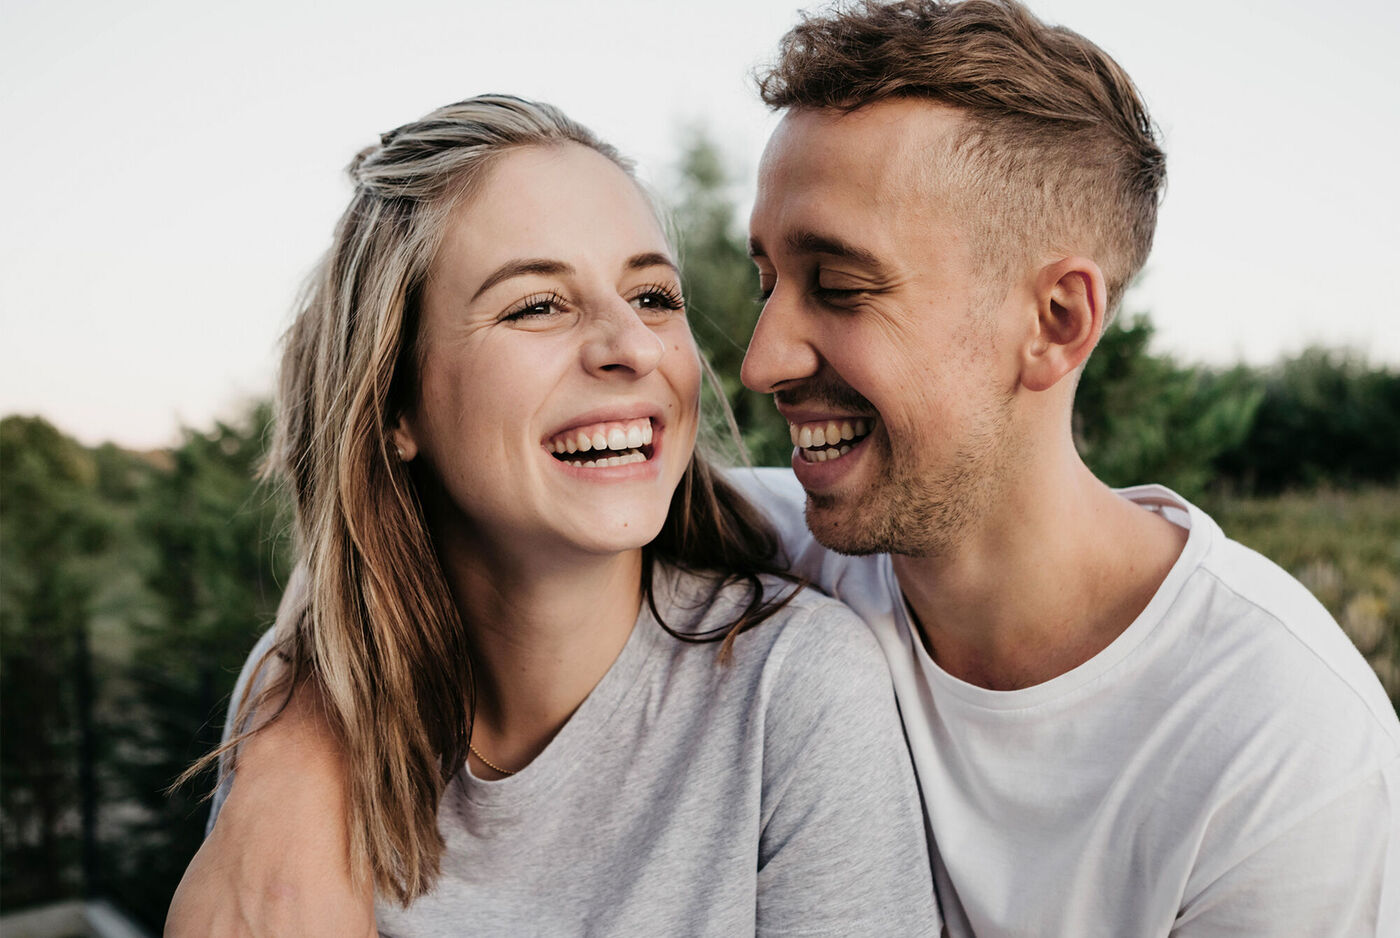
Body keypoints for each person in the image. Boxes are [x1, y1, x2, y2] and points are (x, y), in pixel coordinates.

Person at [173, 2, 1400, 935]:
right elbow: (428, 542)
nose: (753, 360)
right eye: (761, 279)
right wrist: (294, 744)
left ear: (1055, 322)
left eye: (841, 285)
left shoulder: (1281, 752)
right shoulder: (770, 531)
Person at [165, 94, 938, 937]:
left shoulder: (793, 691)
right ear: (394, 403)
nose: (632, 346)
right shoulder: (305, 711)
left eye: (653, 296)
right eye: (537, 305)